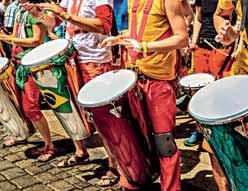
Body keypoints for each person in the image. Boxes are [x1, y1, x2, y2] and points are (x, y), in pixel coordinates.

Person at [100, 0, 188, 190]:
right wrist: (119, 38)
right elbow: (139, 32)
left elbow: (182, 38)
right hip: (133, 78)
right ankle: (134, 182)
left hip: (158, 81)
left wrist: (145, 47)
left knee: (163, 142)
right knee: (134, 136)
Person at [38, 0, 119, 186]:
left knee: (102, 118)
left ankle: (114, 165)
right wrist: (39, 15)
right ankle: (81, 152)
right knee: (78, 112)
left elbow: (104, 25)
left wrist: (65, 15)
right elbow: (54, 22)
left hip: (95, 61)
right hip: (74, 60)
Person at [0, 0, 90, 164]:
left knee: (59, 105)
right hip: (23, 65)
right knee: (31, 109)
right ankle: (50, 143)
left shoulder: (35, 12)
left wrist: (8, 39)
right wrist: (7, 37)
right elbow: (16, 35)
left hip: (40, 66)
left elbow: (36, 41)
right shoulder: (20, 11)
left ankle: (74, 148)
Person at [184, 0, 232, 147]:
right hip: (202, 47)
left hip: (221, 48)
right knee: (199, 92)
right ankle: (199, 130)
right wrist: (193, 41)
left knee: (220, 92)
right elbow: (198, 19)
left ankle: (222, 133)